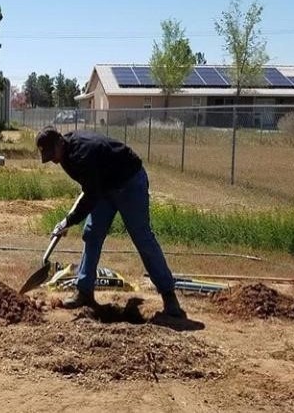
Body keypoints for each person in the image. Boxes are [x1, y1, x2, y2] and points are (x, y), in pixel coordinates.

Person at [35, 126, 186, 318]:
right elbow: (89, 188)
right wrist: (67, 221)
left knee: (141, 236)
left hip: (129, 182)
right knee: (92, 234)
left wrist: (69, 221)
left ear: (59, 142)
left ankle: (169, 296)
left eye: (52, 154)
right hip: (105, 187)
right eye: (48, 157)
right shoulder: (65, 155)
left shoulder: (83, 152)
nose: (53, 160)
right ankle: (84, 291)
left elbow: (91, 195)